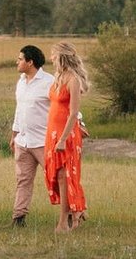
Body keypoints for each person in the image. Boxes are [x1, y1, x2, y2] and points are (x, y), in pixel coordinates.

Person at [45, 41, 89, 232]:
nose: (51, 58)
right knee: (55, 174)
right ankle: (76, 211)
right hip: (52, 132)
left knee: (65, 175)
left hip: (66, 134)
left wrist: (63, 139)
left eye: (53, 54)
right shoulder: (58, 77)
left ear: (62, 56)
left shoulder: (73, 80)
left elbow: (73, 112)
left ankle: (64, 221)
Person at [9, 43, 53, 227]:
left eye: (20, 59)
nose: (17, 62)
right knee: (23, 179)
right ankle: (19, 217)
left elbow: (65, 106)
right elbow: (20, 110)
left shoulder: (49, 82)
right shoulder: (21, 82)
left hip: (43, 141)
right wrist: (14, 134)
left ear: (30, 62)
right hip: (23, 140)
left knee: (55, 178)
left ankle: (73, 212)